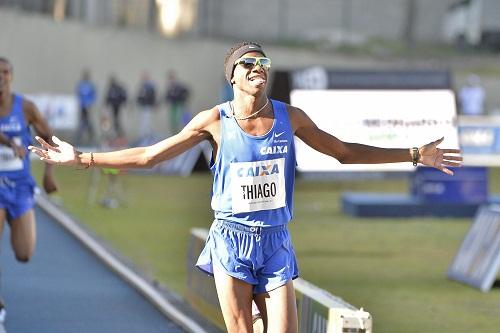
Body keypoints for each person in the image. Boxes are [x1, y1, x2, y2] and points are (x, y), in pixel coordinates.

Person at [29, 42, 462, 333]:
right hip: (232, 241)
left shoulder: (290, 118)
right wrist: (80, 158)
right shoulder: (213, 122)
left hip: (276, 242)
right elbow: (148, 156)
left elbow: (344, 152)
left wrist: (412, 154)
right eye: (249, 65)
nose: (258, 70)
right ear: (232, 77)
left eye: (264, 64)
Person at [0, 57, 58, 322]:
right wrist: (10, 142)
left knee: (24, 254)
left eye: (5, 72)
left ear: (11, 76)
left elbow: (48, 138)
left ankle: (14, 224)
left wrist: (49, 173)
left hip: (21, 187)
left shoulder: (26, 108)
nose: (1, 77)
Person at [75, 69, 97, 145]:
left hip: (88, 106)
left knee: (88, 121)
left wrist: (90, 103)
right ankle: (79, 137)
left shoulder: (90, 85)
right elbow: (78, 95)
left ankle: (92, 137)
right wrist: (81, 103)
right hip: (82, 107)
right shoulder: (81, 85)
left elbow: (93, 95)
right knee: (83, 121)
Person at [136, 72, 157, 139]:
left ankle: (148, 135)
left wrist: (153, 104)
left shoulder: (150, 87)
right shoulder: (141, 86)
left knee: (147, 122)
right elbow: (139, 96)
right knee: (143, 122)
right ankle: (144, 136)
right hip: (142, 106)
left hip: (148, 106)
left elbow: (152, 96)